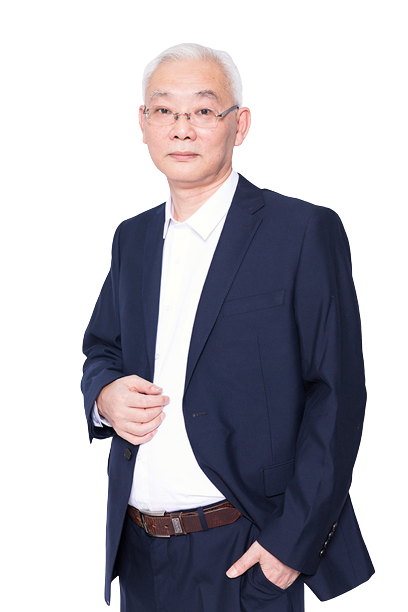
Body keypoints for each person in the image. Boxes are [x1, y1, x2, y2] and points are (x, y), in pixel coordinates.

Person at [81, 43, 374, 611]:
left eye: (202, 110)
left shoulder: (302, 230)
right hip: (138, 556)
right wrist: (104, 396)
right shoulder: (131, 238)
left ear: (239, 125)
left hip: (249, 550)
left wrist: (291, 545)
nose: (182, 128)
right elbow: (101, 349)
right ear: (143, 125)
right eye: (164, 110)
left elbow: (337, 395)